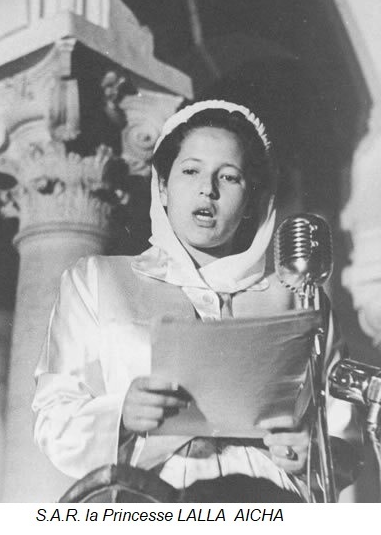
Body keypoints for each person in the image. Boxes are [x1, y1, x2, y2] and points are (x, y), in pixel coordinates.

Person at [33, 100, 361, 502]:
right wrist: (121, 415)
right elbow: (53, 419)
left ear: (251, 201)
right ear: (163, 187)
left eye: (230, 177)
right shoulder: (98, 279)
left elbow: (345, 436)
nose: (209, 189)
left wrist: (312, 452)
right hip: (147, 498)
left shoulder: (298, 297)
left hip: (270, 501)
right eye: (191, 171)